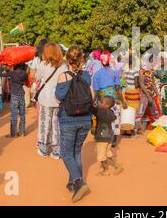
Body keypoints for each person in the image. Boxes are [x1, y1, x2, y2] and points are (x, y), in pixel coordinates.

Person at [55, 45, 92, 202]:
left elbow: (59, 96)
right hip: (85, 119)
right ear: (82, 59)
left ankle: (78, 181)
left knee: (66, 153)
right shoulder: (87, 76)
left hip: (68, 119)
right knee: (76, 151)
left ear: (67, 59)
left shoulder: (63, 76)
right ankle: (72, 183)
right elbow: (92, 95)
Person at [34, 43, 68, 158]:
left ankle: (43, 149)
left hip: (45, 98)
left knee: (45, 123)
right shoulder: (63, 66)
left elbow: (36, 77)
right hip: (59, 98)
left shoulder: (43, 65)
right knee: (56, 124)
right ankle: (56, 151)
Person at [92, 51, 128, 147]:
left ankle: (103, 136)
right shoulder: (115, 72)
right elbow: (118, 89)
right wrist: (123, 102)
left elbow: (95, 91)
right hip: (114, 100)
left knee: (102, 119)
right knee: (115, 119)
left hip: (102, 100)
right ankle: (114, 139)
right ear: (110, 60)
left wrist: (93, 101)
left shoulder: (97, 74)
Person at [93, 96, 124, 176]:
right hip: (110, 136)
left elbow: (93, 110)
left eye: (101, 102)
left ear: (106, 105)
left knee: (101, 155)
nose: (99, 103)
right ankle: (117, 165)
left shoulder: (100, 112)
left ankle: (105, 170)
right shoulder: (110, 112)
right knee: (107, 152)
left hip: (101, 137)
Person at [0, 63, 28, 138]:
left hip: (14, 94)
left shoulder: (12, 73)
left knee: (14, 115)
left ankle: (13, 134)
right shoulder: (24, 74)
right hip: (21, 94)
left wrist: (0, 67)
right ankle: (22, 133)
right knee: (22, 115)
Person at [136, 53, 160, 134]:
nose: (155, 62)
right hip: (144, 94)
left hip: (151, 94)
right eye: (153, 61)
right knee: (140, 112)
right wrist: (147, 95)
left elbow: (153, 83)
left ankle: (159, 130)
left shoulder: (151, 71)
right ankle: (135, 130)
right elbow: (141, 84)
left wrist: (157, 94)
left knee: (155, 112)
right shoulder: (142, 70)